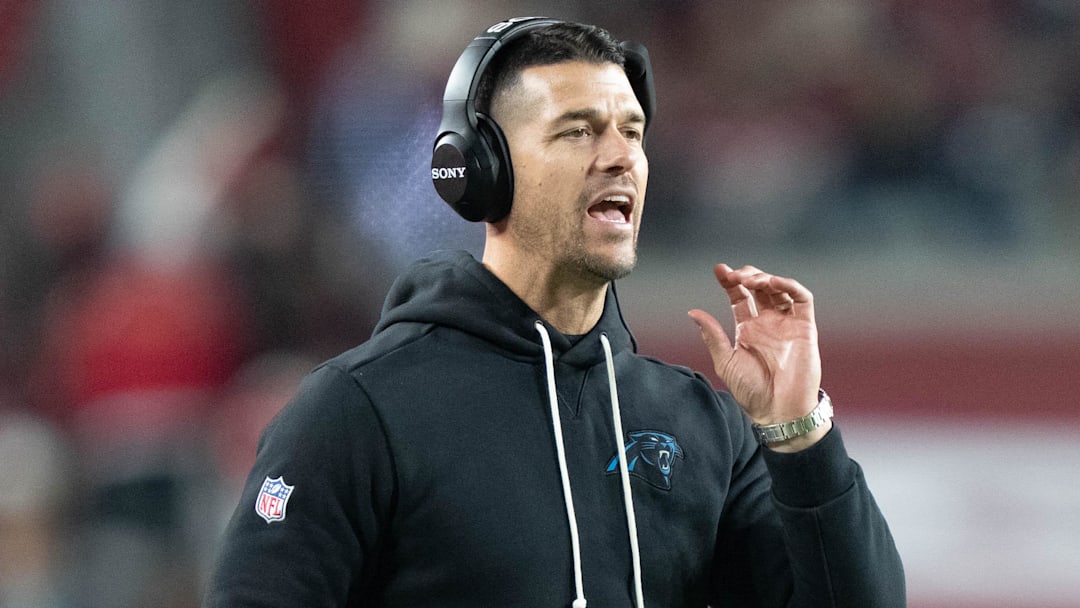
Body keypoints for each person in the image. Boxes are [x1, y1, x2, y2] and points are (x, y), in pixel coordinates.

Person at [204, 17, 905, 607]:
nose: (620, 157)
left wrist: (799, 434)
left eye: (632, 132)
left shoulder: (702, 428)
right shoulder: (355, 413)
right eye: (578, 131)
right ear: (481, 167)